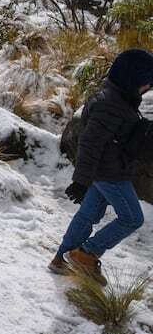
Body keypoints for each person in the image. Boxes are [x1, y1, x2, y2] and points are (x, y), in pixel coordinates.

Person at [50, 49, 153, 285]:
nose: (147, 88)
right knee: (132, 218)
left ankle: (61, 259)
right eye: (145, 83)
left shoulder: (119, 99)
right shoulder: (110, 104)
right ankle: (86, 254)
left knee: (88, 215)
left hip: (107, 169)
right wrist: (81, 181)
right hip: (109, 174)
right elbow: (90, 143)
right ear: (131, 78)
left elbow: (115, 136)